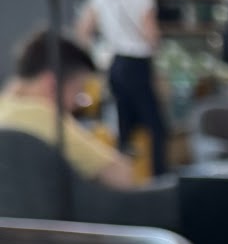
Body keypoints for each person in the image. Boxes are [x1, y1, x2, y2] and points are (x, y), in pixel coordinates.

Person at [76, 0, 169, 176]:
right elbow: (150, 34)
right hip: (138, 63)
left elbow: (83, 31)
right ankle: (159, 177)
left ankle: (124, 176)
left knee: (124, 126)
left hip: (115, 64)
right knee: (155, 126)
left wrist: (98, 56)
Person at [0, 30, 135, 187]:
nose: (78, 104)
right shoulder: (41, 116)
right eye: (78, 92)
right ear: (52, 84)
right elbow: (122, 176)